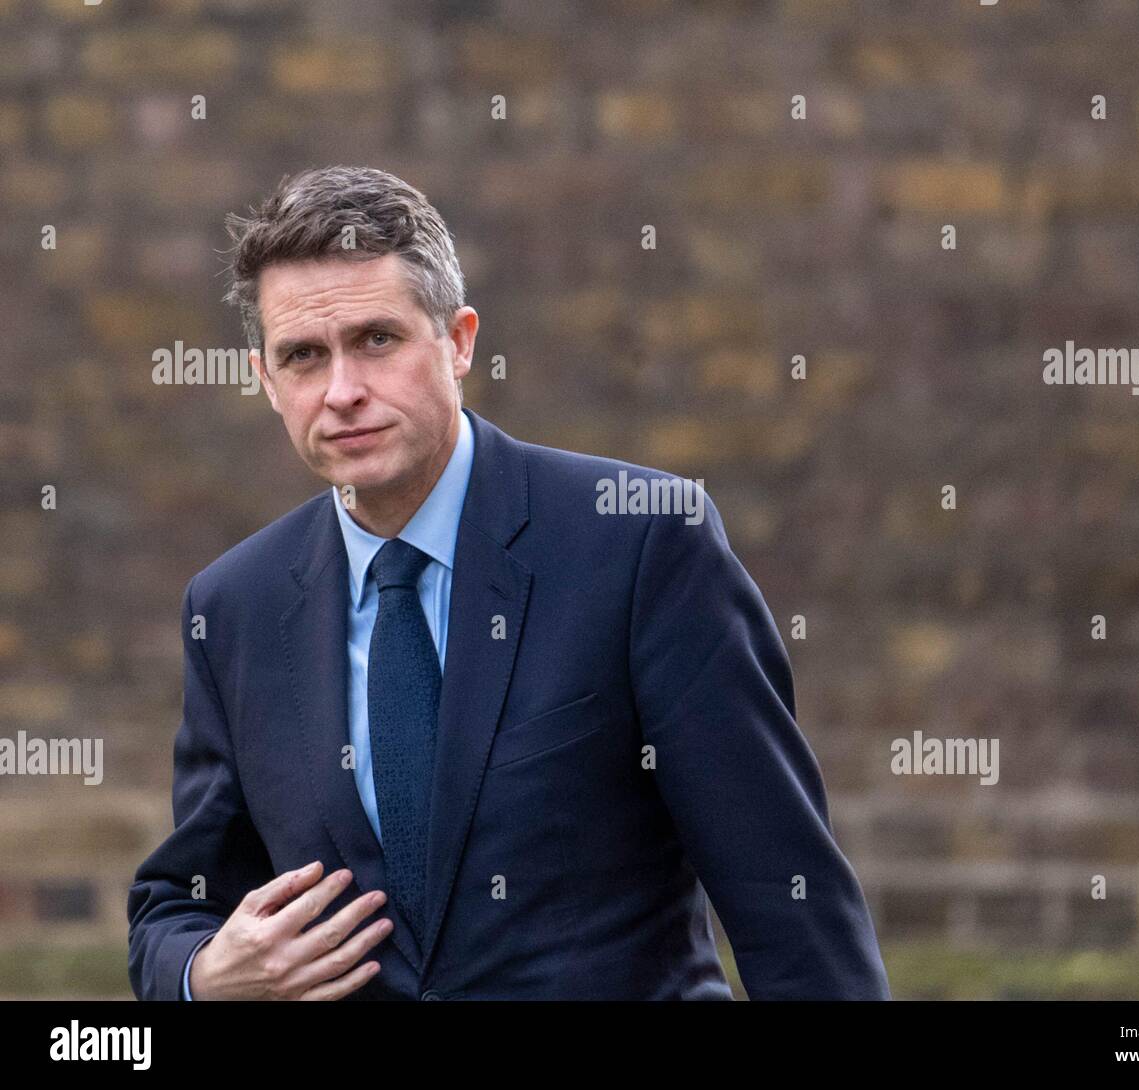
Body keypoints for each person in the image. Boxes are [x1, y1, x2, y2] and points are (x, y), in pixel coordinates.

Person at [126, 165, 890, 1000]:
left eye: (377, 340)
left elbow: (786, 894)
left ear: (458, 341)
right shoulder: (234, 607)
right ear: (267, 381)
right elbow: (177, 905)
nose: (342, 392)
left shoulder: (641, 541)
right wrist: (204, 974)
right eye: (304, 357)